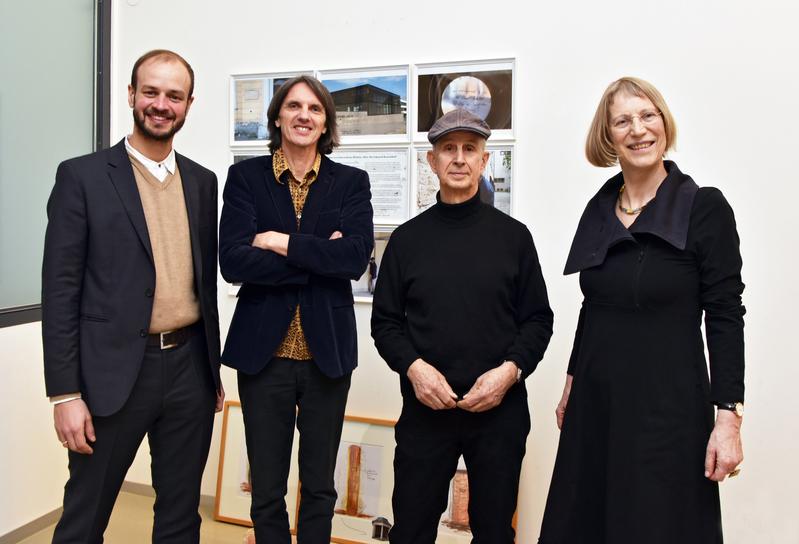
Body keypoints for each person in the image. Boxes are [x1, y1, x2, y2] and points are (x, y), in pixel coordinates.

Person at [539, 77, 745, 543]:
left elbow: (727, 314)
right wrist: (572, 380)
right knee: (585, 524)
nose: (638, 129)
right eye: (623, 120)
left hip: (668, 410)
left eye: (647, 115)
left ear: (664, 124)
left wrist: (728, 416)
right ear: (608, 136)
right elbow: (595, 304)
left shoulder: (705, 208)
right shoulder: (598, 209)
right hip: (597, 402)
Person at [42, 49, 223, 543]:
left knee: (181, 516)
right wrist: (65, 393)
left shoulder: (203, 183)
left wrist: (212, 370)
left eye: (174, 95)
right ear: (131, 95)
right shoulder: (81, 177)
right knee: (86, 516)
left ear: (188, 105)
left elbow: (201, 286)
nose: (161, 104)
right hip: (113, 374)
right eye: (151, 92)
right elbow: (59, 291)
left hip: (189, 369)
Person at [371, 108, 553, 544]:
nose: (458, 158)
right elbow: (386, 324)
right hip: (425, 411)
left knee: (493, 531)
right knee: (412, 529)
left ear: (484, 161)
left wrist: (508, 373)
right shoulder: (407, 240)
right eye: (448, 149)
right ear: (431, 162)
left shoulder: (514, 237)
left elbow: (538, 320)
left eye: (469, 149)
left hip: (499, 412)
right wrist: (415, 368)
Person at [219, 75, 374, 543]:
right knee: (266, 487)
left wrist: (279, 243)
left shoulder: (350, 182)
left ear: (326, 121)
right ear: (278, 117)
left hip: (326, 356)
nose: (304, 115)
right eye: (294, 106)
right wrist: (316, 257)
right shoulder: (246, 177)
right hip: (264, 358)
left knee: (321, 486)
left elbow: (352, 259)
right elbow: (233, 261)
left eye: (315, 108)